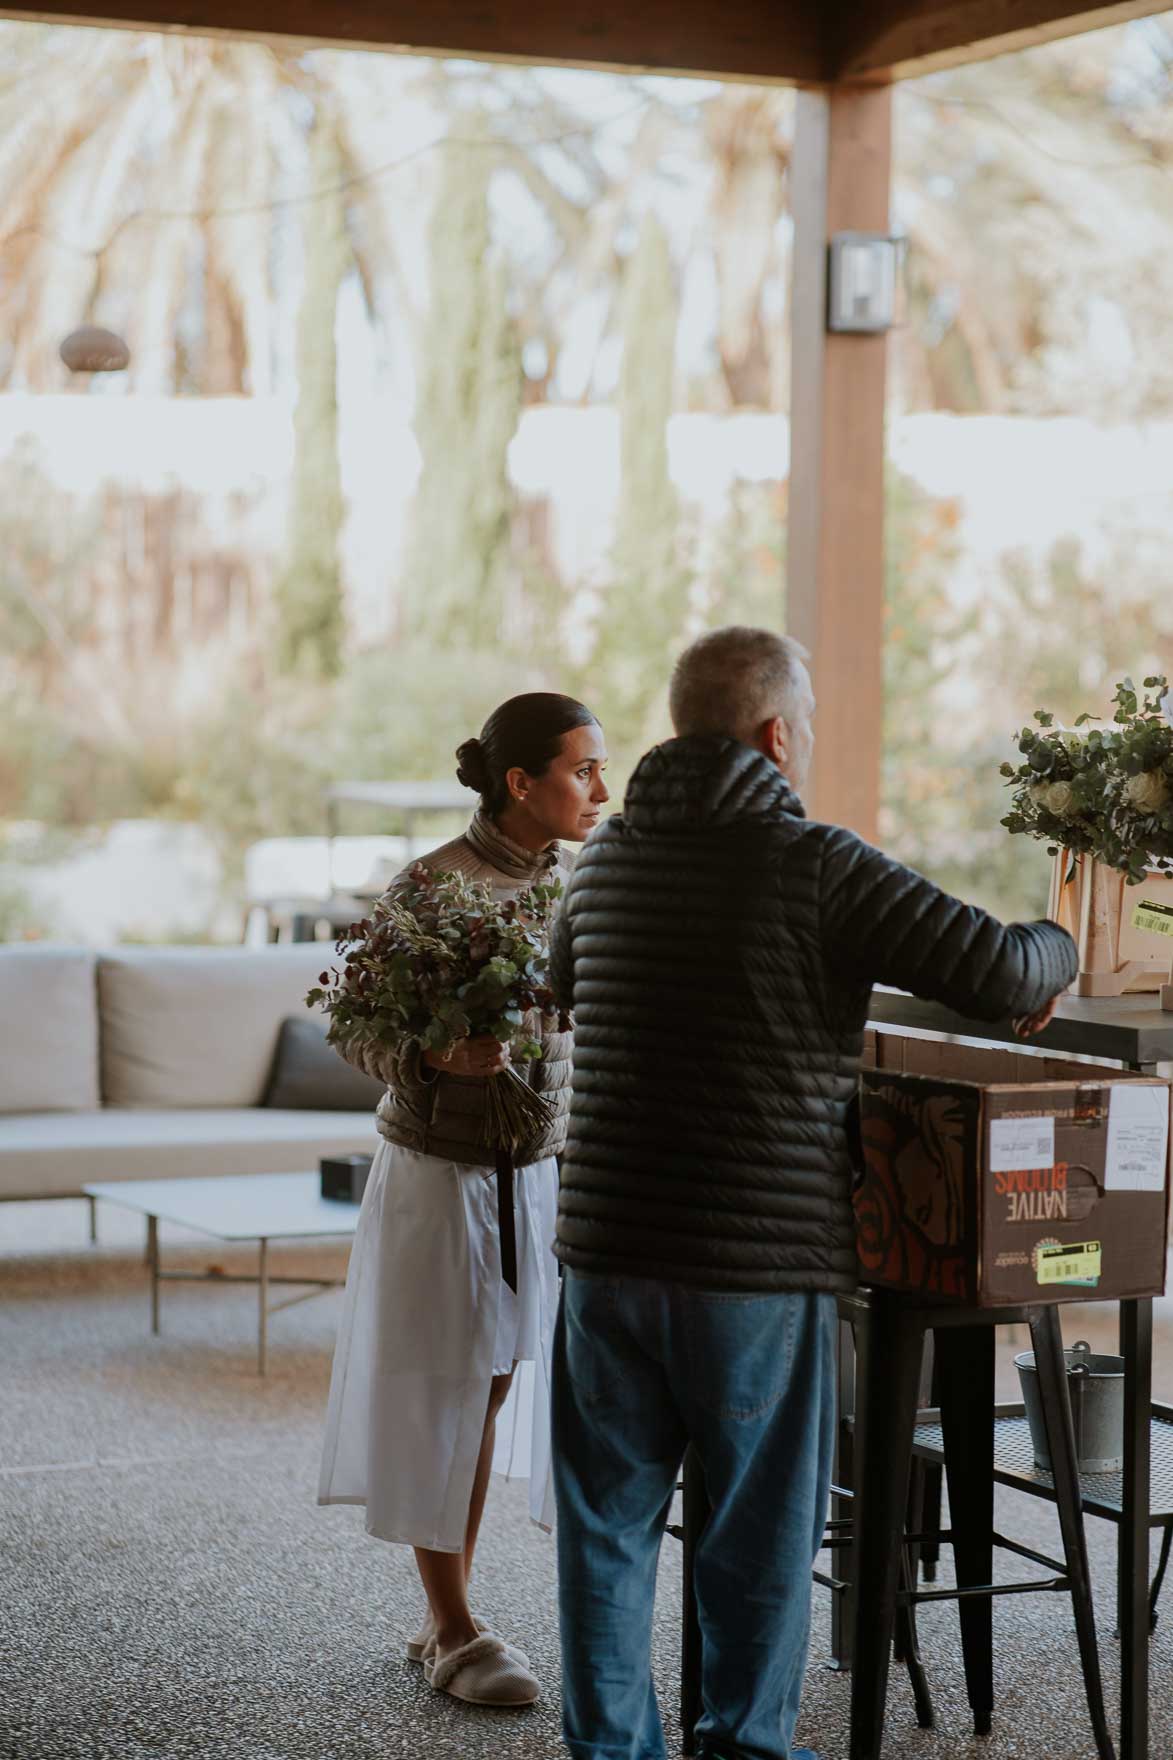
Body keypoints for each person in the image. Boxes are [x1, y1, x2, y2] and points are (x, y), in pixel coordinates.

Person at [548, 626, 1077, 1760]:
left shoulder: (601, 859)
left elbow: (563, 982)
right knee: (753, 1537)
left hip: (603, 1254)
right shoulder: (816, 862)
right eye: (814, 726)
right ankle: (743, 1748)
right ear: (778, 733)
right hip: (754, 1269)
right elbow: (1000, 969)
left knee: (605, 1532)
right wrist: (1067, 937)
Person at [318, 692, 608, 1709]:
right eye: (581, 769)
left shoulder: (581, 883)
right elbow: (352, 1030)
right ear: (520, 781)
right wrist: (429, 1052)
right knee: (447, 1390)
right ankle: (452, 1625)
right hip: (442, 1176)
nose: (599, 790)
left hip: (536, 1175)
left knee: (487, 1385)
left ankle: (448, 1610)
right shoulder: (431, 882)